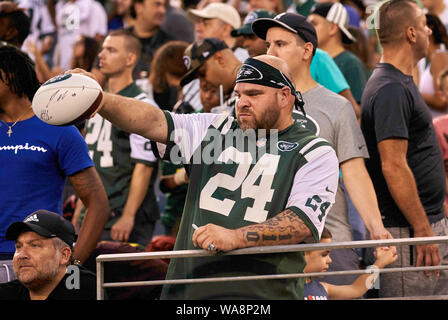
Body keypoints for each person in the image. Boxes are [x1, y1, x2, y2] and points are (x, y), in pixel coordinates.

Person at [68, 54, 340, 299]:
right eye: (239, 94)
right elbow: (152, 121)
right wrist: (100, 99)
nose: (242, 103)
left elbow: (300, 222)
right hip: (188, 291)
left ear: (284, 96)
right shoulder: (214, 127)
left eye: (254, 94)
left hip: (263, 293)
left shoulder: (313, 151)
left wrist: (236, 237)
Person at [252, 12, 392, 286]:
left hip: (328, 242)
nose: (270, 52)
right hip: (267, 242)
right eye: (268, 45)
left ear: (307, 51)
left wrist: (376, 228)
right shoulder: (253, 103)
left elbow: (353, 171)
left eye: (280, 44)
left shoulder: (336, 107)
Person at [361, 0, 448, 297]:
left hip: (423, 224)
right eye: (424, 26)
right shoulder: (391, 88)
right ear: (411, 33)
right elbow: (393, 165)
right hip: (409, 232)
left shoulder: (398, 82)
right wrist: (423, 230)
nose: (428, 32)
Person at [0, 45, 109, 264]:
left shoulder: (58, 127)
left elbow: (98, 205)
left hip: (38, 259)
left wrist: (72, 266)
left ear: (10, 75)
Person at [74, 29, 160, 247]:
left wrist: (129, 215)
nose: (101, 55)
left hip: (123, 215)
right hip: (93, 211)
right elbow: (86, 163)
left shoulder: (142, 104)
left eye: (111, 50)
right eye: (102, 49)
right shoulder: (92, 99)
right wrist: (79, 212)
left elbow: (144, 166)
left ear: (130, 58)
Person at [0, 210, 97, 300]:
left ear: (64, 255)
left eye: (34, 245)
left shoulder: (88, 291)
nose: (22, 255)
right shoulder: (7, 293)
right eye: (18, 246)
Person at [303, 227, 397, 300]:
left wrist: (379, 264)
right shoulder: (288, 286)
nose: (330, 260)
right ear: (303, 254)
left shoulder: (323, 288)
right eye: (324, 254)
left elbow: (358, 289)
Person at [308, 2, 369, 104]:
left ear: (332, 28)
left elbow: (359, 113)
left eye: (314, 24)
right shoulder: (311, 59)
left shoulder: (351, 64)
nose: (309, 28)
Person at [179, 38, 242, 113]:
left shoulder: (254, 82)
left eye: (202, 73)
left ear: (219, 59)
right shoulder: (231, 93)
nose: (202, 83)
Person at [127, 0, 174, 79]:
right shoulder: (119, 40)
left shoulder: (169, 46)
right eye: (157, 4)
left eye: (164, 6)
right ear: (138, 7)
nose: (163, 10)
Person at [418, 13, 448, 117]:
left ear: (428, 30)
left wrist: (413, 93)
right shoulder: (433, 59)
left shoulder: (439, 57)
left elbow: (442, 100)